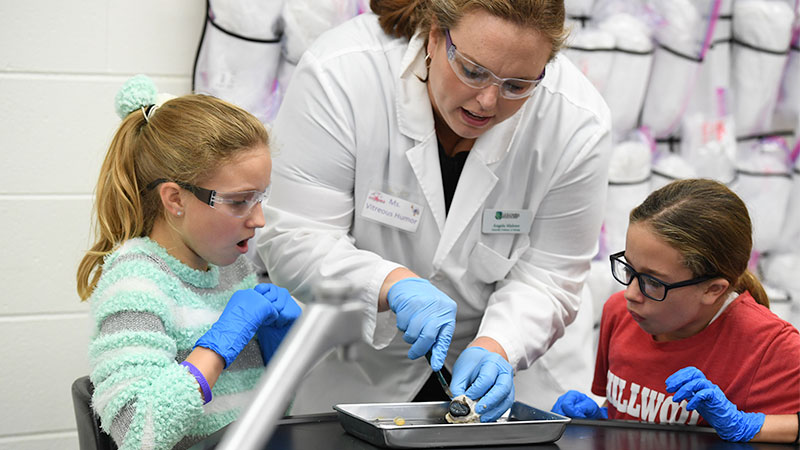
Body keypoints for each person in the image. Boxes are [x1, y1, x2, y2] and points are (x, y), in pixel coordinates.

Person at [256, 0, 612, 420]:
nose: (486, 101)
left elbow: (552, 274)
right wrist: (387, 283)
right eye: (473, 71)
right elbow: (295, 236)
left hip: (511, 372)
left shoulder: (576, 121)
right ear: (433, 34)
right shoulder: (343, 72)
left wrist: (499, 345)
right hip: (358, 363)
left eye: (517, 86)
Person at [76, 75, 301, 450]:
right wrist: (216, 348)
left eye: (261, 197)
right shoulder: (135, 284)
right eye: (239, 200)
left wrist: (282, 359)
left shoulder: (231, 268)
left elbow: (256, 416)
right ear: (175, 199)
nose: (259, 219)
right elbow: (138, 433)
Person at [551, 179, 800, 443]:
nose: (631, 294)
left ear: (713, 289)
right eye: (629, 269)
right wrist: (601, 421)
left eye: (653, 282)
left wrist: (749, 426)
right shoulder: (621, 313)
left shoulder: (771, 346)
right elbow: (630, 414)